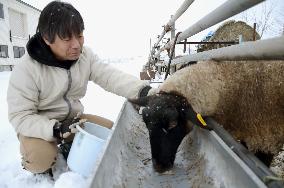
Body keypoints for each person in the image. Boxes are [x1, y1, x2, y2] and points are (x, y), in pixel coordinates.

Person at [7, 1, 154, 176]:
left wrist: (145, 92)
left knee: (113, 136)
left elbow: (110, 77)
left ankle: (69, 144)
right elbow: (20, 116)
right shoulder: (27, 69)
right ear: (47, 38)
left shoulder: (85, 57)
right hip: (40, 127)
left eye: (80, 35)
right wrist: (55, 129)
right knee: (40, 159)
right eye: (67, 38)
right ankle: (37, 153)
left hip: (73, 121)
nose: (76, 44)